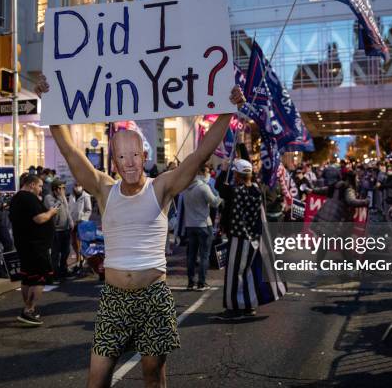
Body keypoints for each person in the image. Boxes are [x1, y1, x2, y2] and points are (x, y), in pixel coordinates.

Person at [35, 75, 245, 388]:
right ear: (114, 162)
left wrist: (228, 111)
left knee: (152, 378)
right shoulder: (105, 189)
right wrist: (50, 103)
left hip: (154, 297)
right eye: (121, 157)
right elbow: (69, 151)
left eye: (134, 155)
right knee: (96, 380)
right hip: (114, 298)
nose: (129, 162)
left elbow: (200, 154)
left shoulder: (162, 187)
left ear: (144, 156)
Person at [215, 159, 287, 319]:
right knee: (248, 273)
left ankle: (234, 309)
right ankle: (248, 306)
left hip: (238, 237)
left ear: (236, 175)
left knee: (234, 275)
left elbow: (219, 188)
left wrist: (223, 169)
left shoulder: (234, 191)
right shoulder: (257, 189)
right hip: (254, 237)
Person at [8, 174, 58, 326]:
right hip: (36, 247)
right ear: (31, 185)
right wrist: (51, 212)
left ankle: (28, 308)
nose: (41, 189)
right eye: (40, 186)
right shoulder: (29, 198)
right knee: (38, 279)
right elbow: (39, 219)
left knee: (27, 278)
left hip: (24, 244)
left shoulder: (16, 198)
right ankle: (29, 311)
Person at [182, 164, 221, 291]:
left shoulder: (185, 188)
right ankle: (201, 282)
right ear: (201, 172)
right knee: (204, 255)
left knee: (191, 255)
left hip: (190, 225)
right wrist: (220, 196)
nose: (208, 174)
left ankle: (190, 282)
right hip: (204, 224)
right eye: (207, 171)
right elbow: (214, 202)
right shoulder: (203, 187)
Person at [44, 179, 73, 280]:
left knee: (66, 251)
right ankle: (54, 273)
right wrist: (61, 198)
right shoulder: (49, 197)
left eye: (64, 188)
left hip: (65, 229)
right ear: (55, 189)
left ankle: (63, 269)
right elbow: (53, 209)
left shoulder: (63, 197)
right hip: (55, 230)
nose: (63, 190)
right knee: (55, 253)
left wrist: (71, 222)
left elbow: (67, 210)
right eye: (61, 188)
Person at [69, 182, 92, 271]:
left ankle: (80, 260)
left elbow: (88, 210)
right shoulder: (71, 196)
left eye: (79, 185)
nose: (77, 187)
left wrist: (82, 219)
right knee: (73, 242)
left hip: (81, 222)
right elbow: (69, 208)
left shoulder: (86, 196)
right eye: (76, 185)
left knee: (80, 243)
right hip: (72, 222)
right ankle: (80, 259)